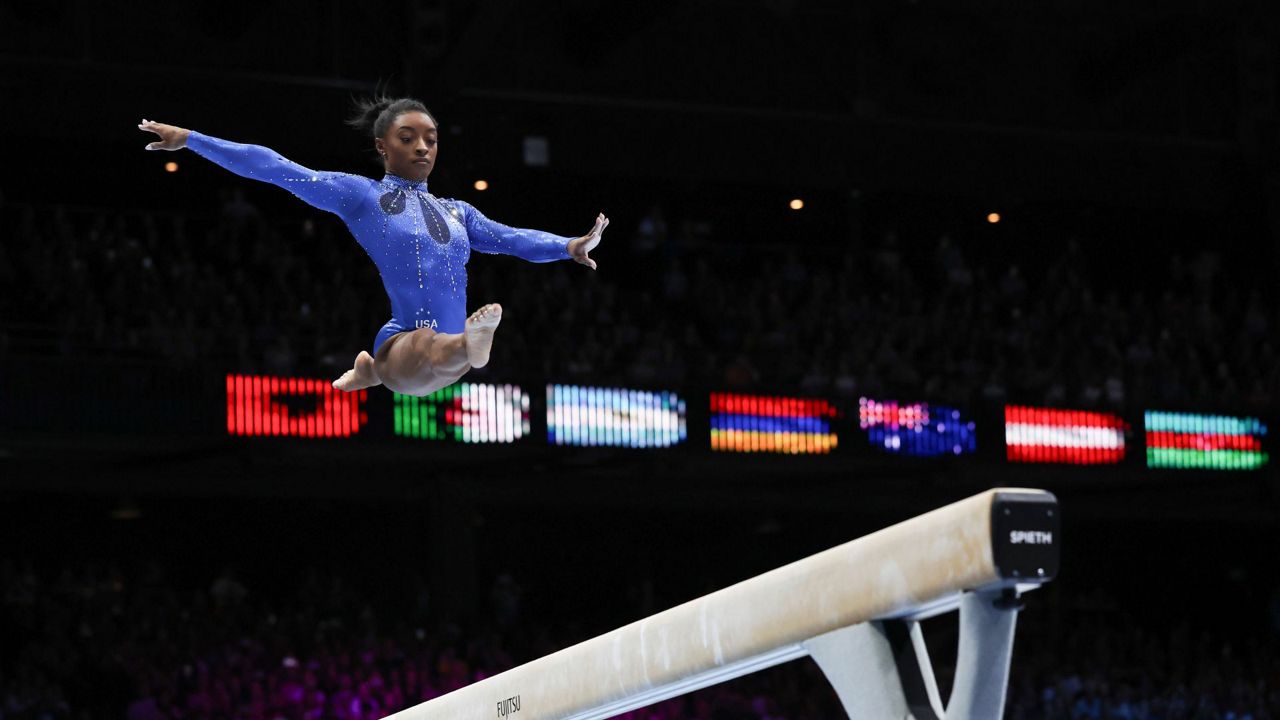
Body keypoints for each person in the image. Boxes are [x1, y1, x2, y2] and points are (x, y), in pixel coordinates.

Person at [137, 96, 607, 396]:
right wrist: (192, 140)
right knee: (430, 346)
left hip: (436, 354)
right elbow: (276, 168)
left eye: (431, 139)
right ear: (383, 146)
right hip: (404, 340)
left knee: (443, 352)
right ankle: (438, 352)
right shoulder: (362, 195)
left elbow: (512, 238)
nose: (423, 147)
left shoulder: (459, 212)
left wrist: (568, 246)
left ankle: (392, 365)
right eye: (409, 138)